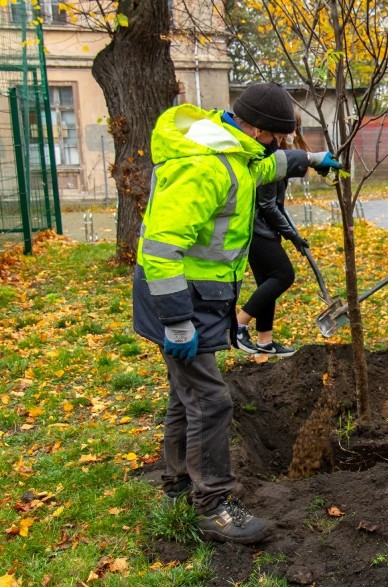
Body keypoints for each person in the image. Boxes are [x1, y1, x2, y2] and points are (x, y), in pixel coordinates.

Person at [132, 82, 327, 544]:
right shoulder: (205, 166)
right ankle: (213, 506)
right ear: (256, 127)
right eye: (279, 137)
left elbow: (258, 170)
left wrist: (310, 161)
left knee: (186, 394)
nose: (280, 145)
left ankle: (179, 483)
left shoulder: (228, 151)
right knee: (211, 400)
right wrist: (178, 320)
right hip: (179, 297)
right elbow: (161, 251)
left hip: (195, 295)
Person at [235, 113, 339, 356]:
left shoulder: (279, 154)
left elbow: (278, 206)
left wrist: (294, 234)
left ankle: (264, 342)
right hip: (259, 230)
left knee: (266, 283)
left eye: (293, 130)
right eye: (285, 131)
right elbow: (269, 206)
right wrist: (292, 236)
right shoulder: (270, 156)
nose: (290, 136)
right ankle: (239, 324)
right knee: (283, 275)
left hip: (261, 228)